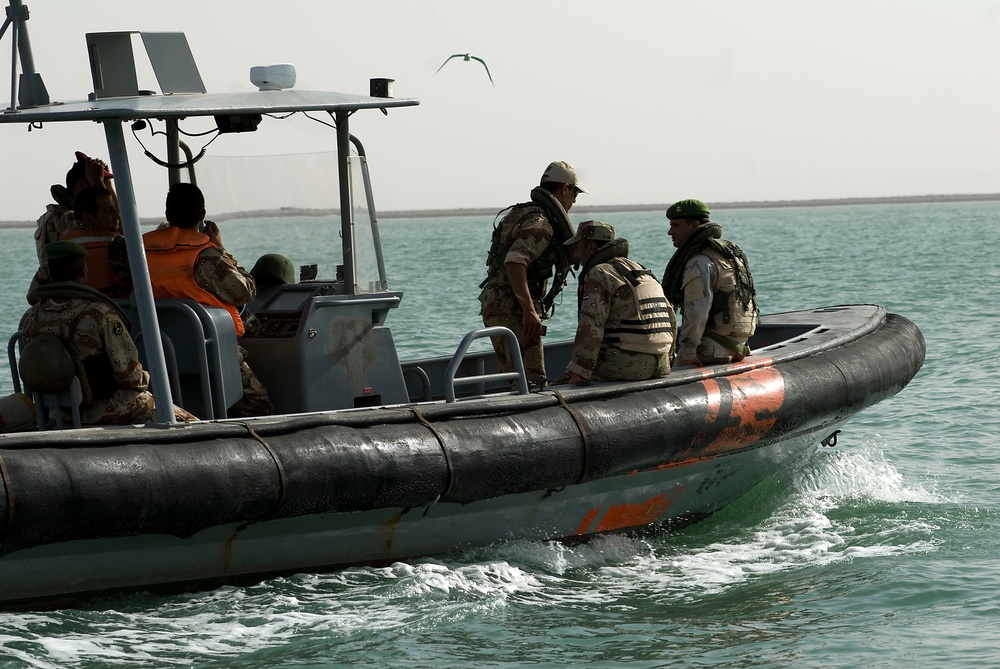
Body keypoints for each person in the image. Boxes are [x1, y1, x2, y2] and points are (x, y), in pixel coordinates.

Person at [20, 242, 195, 426]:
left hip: (57, 413)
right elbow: (129, 376)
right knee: (184, 421)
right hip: (103, 409)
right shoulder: (99, 314)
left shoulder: (32, 317)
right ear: (82, 271)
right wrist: (147, 377)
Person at [142, 182, 274, 417]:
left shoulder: (138, 252)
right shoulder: (208, 257)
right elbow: (246, 291)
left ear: (167, 214)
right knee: (259, 404)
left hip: (157, 353)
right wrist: (221, 248)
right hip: (211, 351)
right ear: (202, 215)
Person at [478, 161, 583, 388]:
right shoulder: (541, 222)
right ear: (564, 188)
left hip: (496, 303)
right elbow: (515, 261)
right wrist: (528, 310)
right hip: (515, 309)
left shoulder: (521, 214)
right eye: (574, 193)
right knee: (531, 383)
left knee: (515, 380)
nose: (574, 200)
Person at [553, 221, 676, 385]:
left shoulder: (600, 273)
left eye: (577, 248)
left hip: (628, 367)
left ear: (591, 247)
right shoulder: (640, 270)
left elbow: (590, 327)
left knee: (560, 381)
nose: (575, 255)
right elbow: (671, 317)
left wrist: (579, 373)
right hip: (662, 365)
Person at [660, 199, 759, 367]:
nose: (670, 232)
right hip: (737, 346)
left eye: (675, 225)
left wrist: (688, 353)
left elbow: (697, 311)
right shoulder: (730, 254)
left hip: (711, 348)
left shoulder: (699, 262)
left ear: (694, 225)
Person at [27, 186, 131, 303]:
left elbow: (32, 296)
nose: (116, 214)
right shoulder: (119, 247)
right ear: (87, 217)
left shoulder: (62, 248)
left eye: (114, 208)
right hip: (116, 314)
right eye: (108, 210)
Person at [33, 151, 118, 265]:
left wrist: (107, 183)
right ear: (82, 186)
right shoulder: (61, 218)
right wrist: (98, 182)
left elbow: (116, 217)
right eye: (99, 190)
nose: (113, 213)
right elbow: (119, 229)